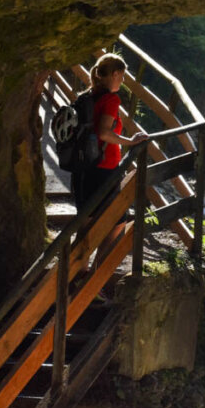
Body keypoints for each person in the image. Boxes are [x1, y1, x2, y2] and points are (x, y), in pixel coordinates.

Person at [72, 53, 148, 273]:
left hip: (83, 169)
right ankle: (93, 279)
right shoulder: (110, 100)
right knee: (117, 223)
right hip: (103, 170)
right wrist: (130, 141)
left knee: (85, 226)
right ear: (115, 74)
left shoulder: (87, 96)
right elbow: (104, 133)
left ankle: (76, 276)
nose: (122, 81)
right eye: (122, 76)